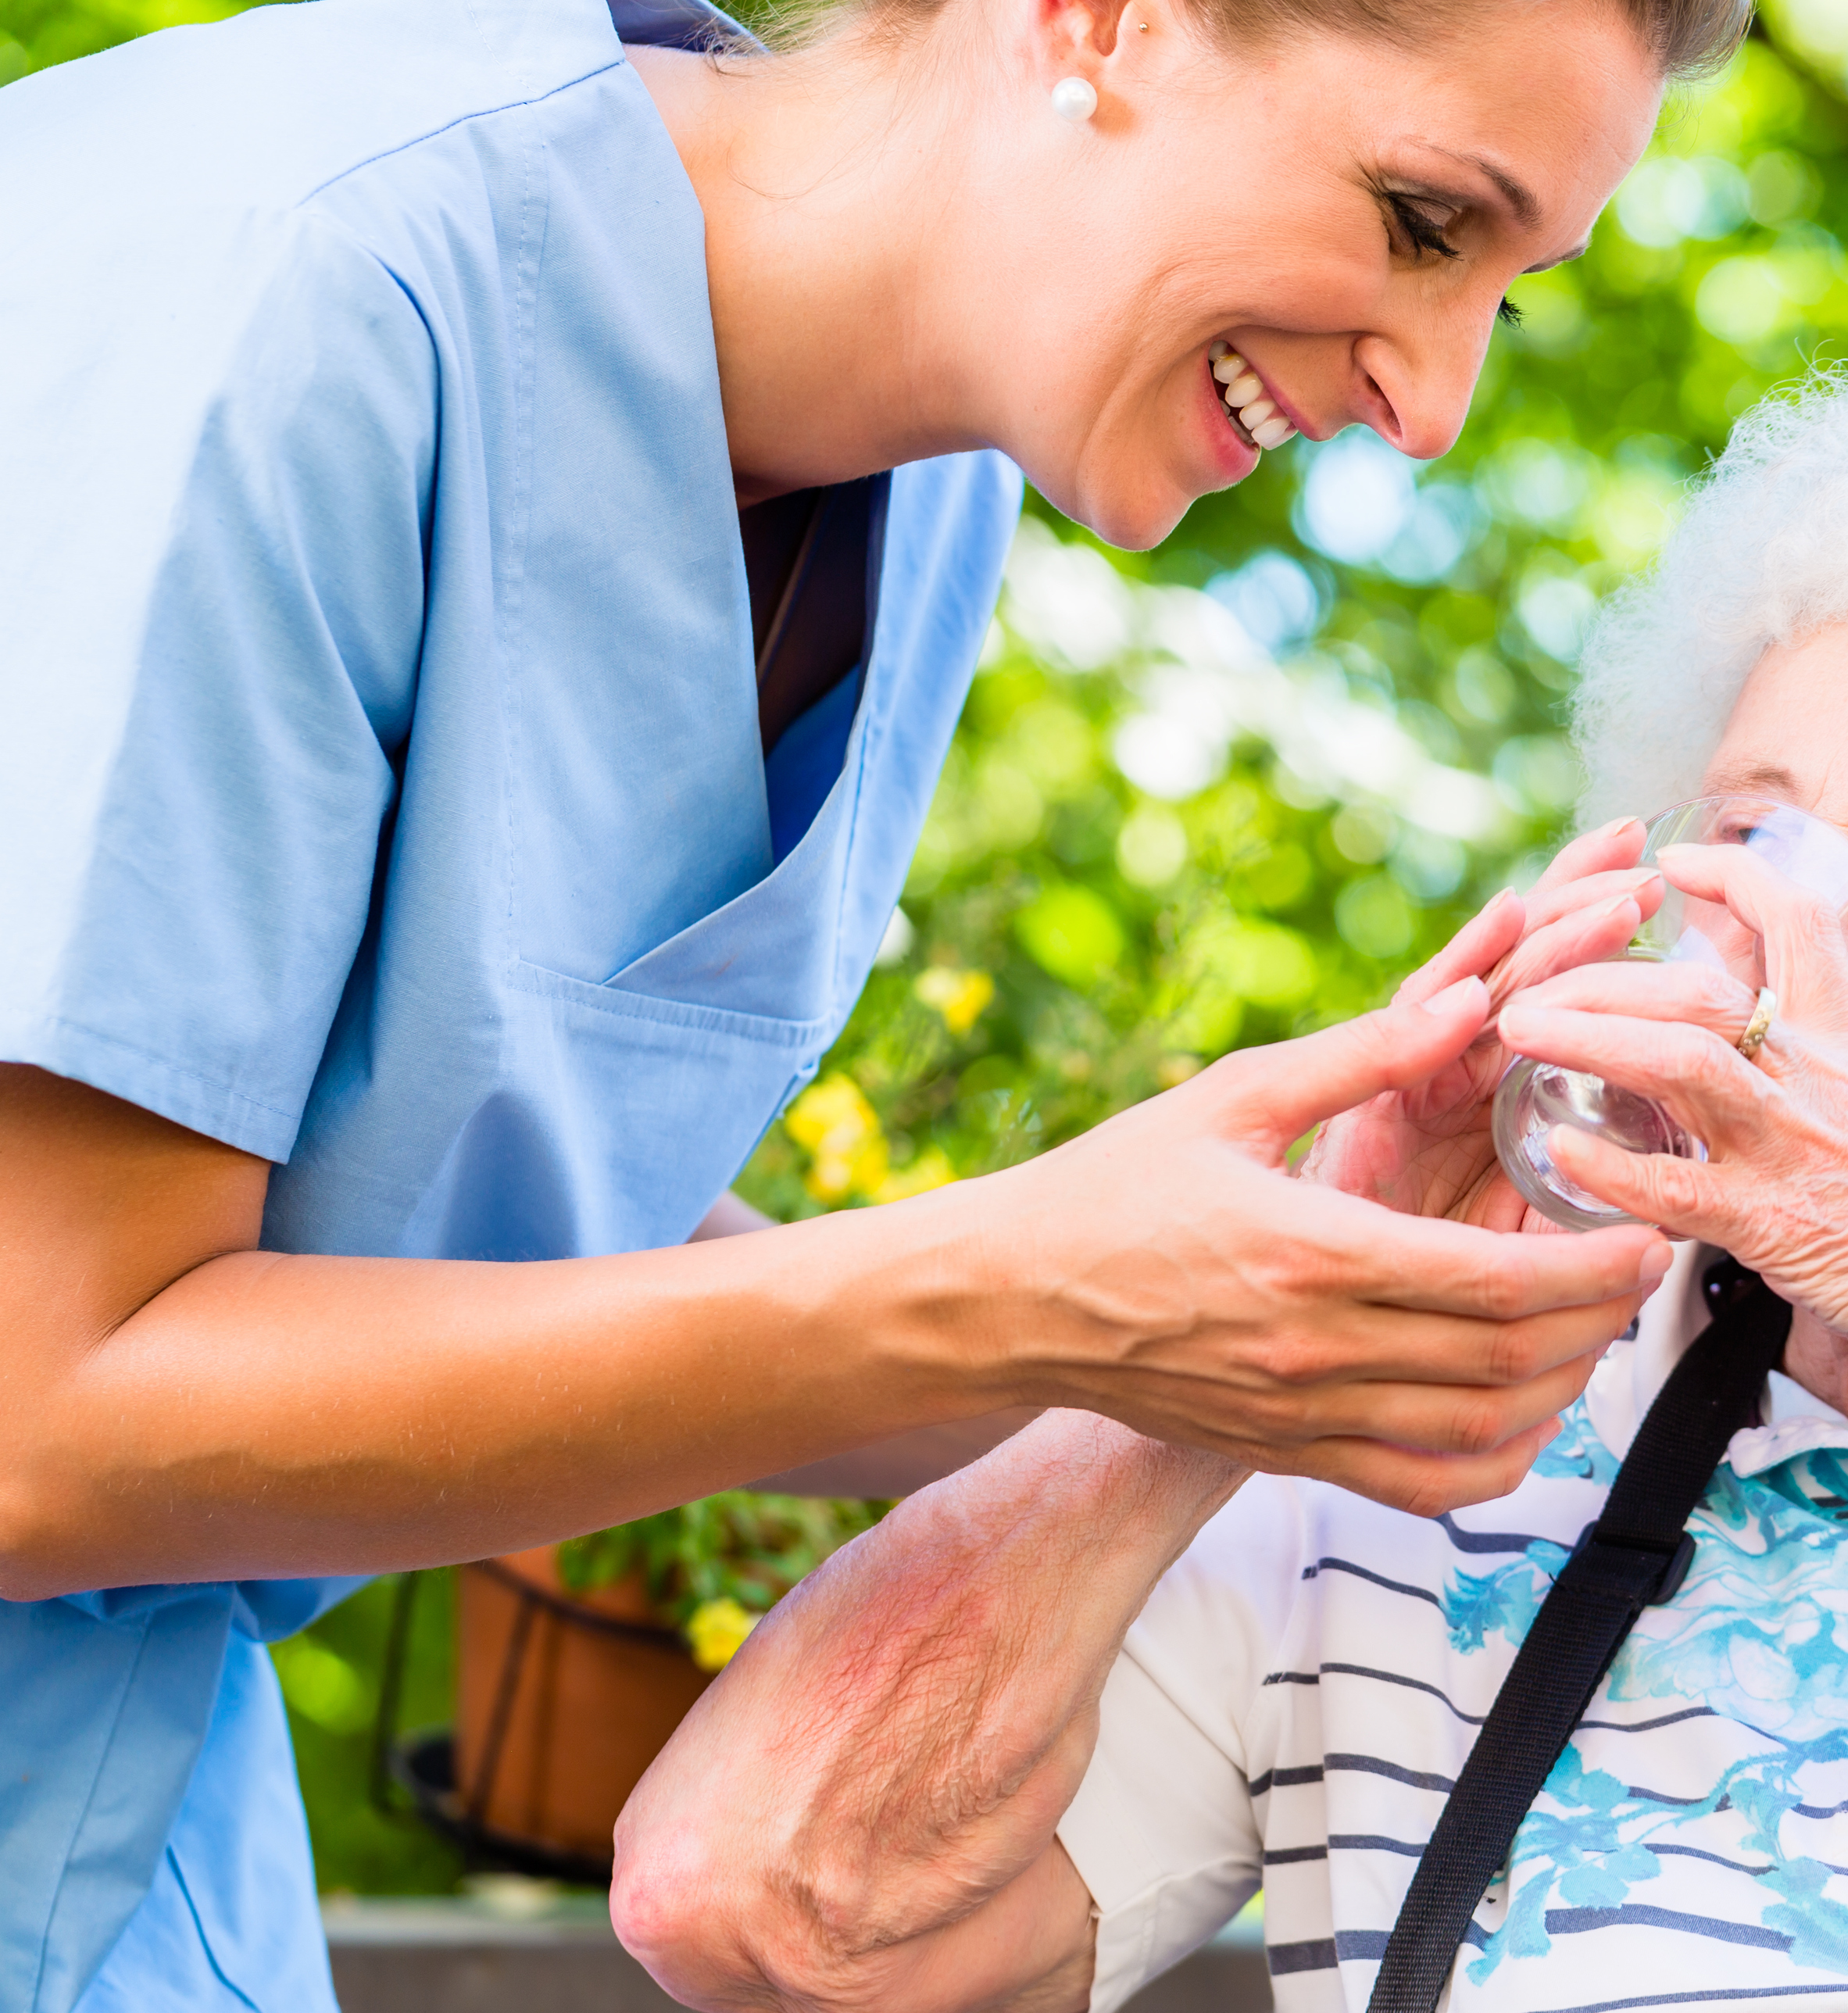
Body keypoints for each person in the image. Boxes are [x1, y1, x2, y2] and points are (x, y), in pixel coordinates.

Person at [0, 0, 1745, 1998]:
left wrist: (1244, 1317)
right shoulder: (281, 279)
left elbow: (468, 1235)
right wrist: (1029, 1288)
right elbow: (30, 1414)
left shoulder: (937, 496)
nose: (1436, 407)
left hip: (126, 1838)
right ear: (1103, 23)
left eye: (1507, 304)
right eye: (1427, 223)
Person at [611, 344, 1848, 2013]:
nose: (1806, 927)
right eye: (1752, 833)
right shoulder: (1434, 1437)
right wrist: (1272, 1318)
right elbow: (754, 1903)